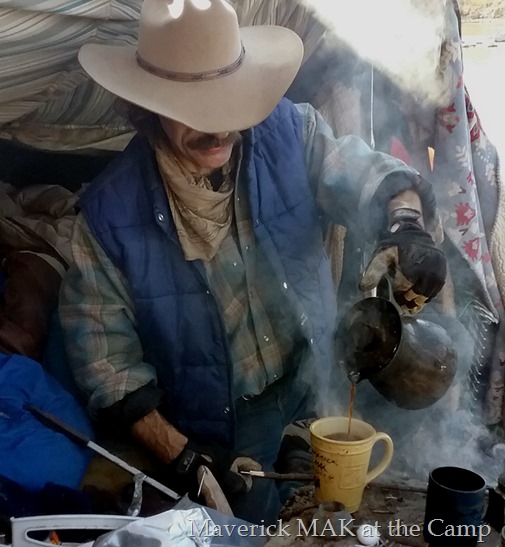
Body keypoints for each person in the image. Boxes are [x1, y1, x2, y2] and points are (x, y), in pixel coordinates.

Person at [59, 0, 447, 524]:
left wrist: (405, 221)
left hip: (313, 374)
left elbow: (363, 172)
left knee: (356, 512)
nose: (219, 130)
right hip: (222, 421)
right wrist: (185, 456)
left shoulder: (290, 132)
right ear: (147, 108)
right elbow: (108, 369)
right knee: (256, 528)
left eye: (228, 105)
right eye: (194, 111)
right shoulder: (107, 218)